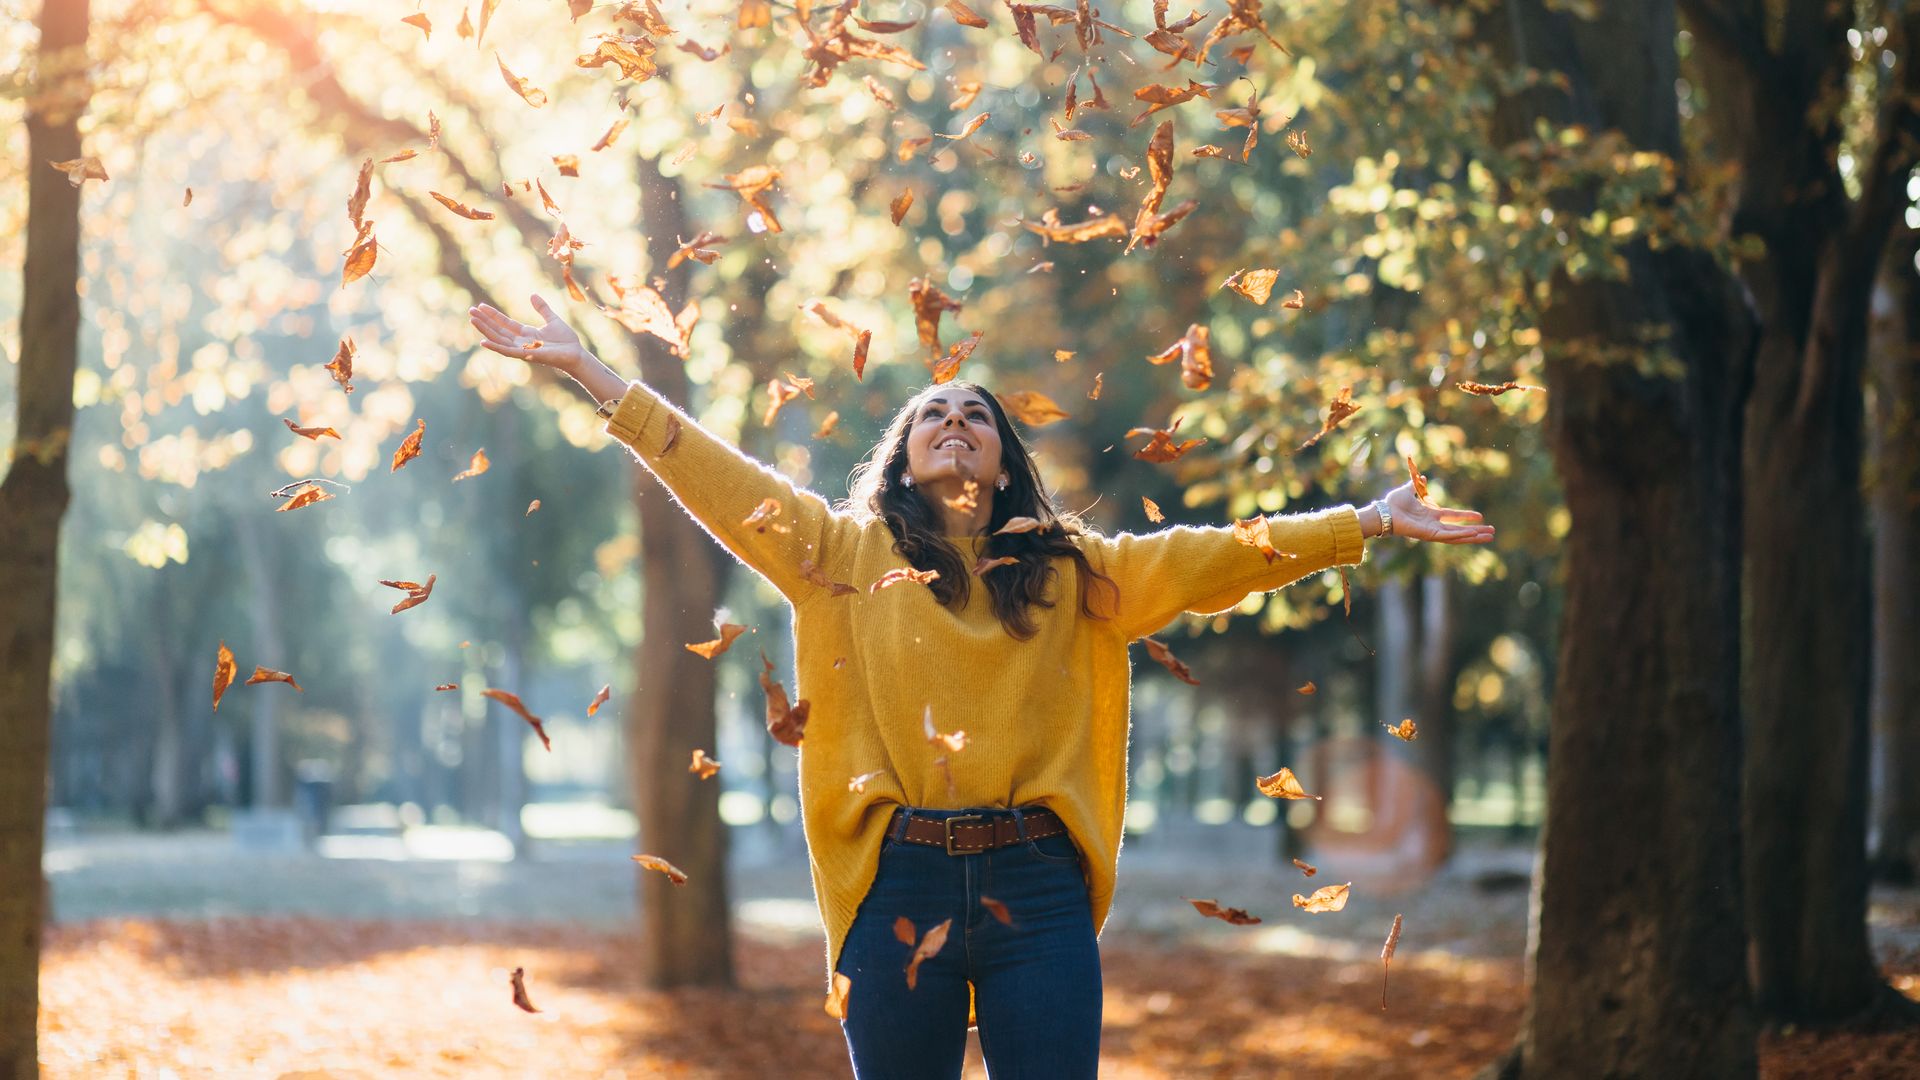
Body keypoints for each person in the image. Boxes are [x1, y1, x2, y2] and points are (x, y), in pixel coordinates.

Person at [469, 294, 1496, 1079]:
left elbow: (1215, 554)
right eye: (932, 414)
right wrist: (591, 373)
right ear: (904, 458)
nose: (954, 419)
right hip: (895, 884)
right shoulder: (837, 553)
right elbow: (717, 477)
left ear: (1003, 462)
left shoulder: (1073, 570)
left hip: (1037, 892)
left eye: (976, 415)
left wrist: (1363, 522)